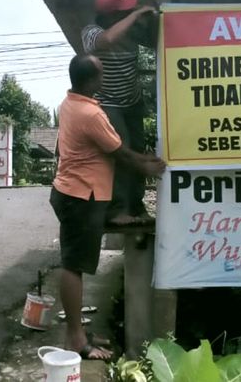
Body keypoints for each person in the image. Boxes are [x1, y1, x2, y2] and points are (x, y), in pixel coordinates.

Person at [50, 54, 165, 360]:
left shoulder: (71, 103)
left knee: (77, 263)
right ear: (92, 80)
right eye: (101, 73)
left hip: (73, 192)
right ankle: (76, 338)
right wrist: (149, 165)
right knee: (74, 266)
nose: (104, 77)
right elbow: (121, 154)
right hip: (80, 196)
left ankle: (78, 331)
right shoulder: (90, 115)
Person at [81, 0, 159, 225]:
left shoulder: (131, 30)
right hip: (109, 104)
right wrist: (135, 15)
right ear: (111, 16)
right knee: (121, 153)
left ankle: (136, 207)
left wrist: (153, 18)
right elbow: (107, 40)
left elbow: (157, 41)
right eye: (124, 10)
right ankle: (116, 211)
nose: (129, 11)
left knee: (138, 151)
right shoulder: (91, 31)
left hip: (133, 102)